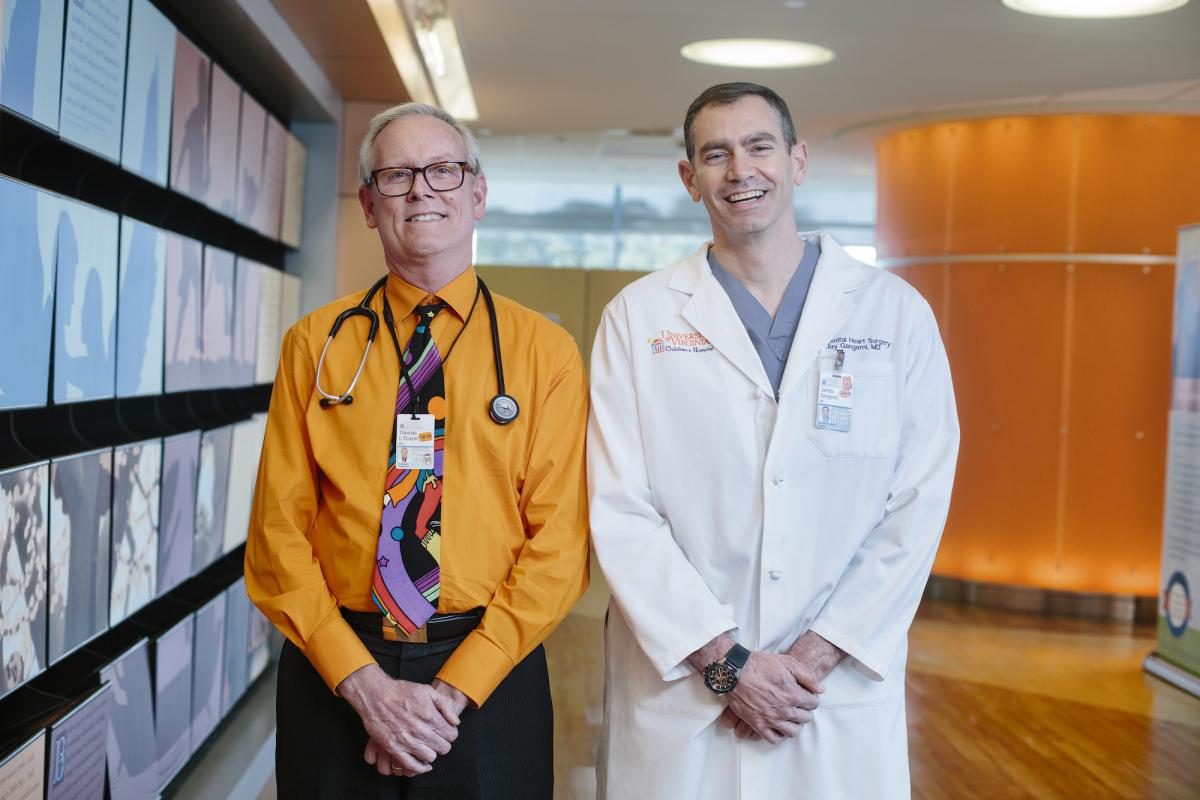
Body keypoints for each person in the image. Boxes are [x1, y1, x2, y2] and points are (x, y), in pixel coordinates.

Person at [588, 82, 959, 798]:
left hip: (832, 691)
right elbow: (619, 509)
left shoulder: (895, 313)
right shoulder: (637, 318)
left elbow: (918, 501)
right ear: (688, 178)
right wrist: (727, 666)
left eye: (759, 147)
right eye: (715, 154)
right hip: (686, 695)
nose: (740, 170)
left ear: (798, 160)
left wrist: (814, 658)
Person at [245, 102, 589, 799]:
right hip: (336, 670)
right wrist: (366, 687)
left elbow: (559, 545)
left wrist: (453, 692)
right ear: (370, 205)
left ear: (478, 193)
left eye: (443, 170)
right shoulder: (316, 345)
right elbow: (276, 532)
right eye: (397, 175)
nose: (422, 189)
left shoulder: (543, 354)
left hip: (492, 671)